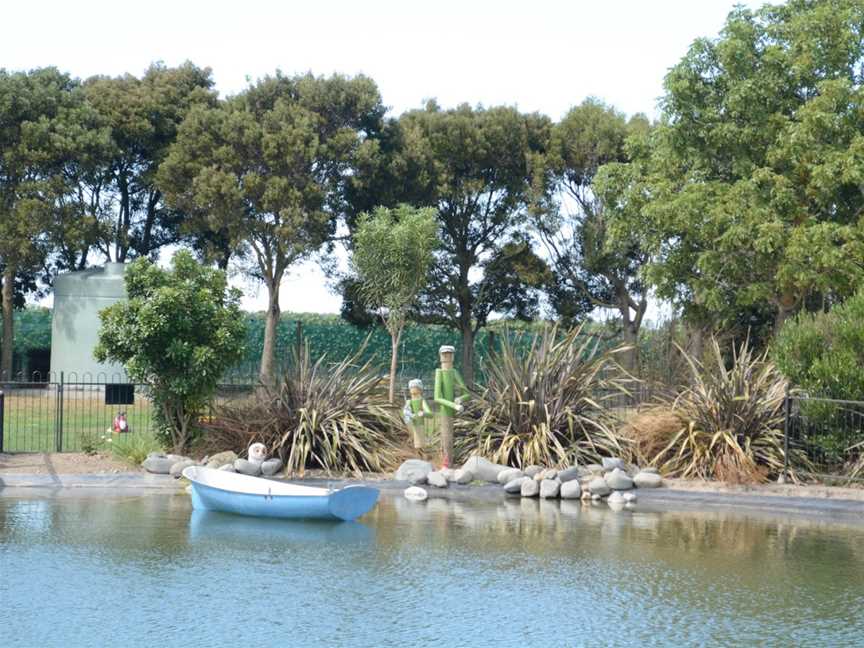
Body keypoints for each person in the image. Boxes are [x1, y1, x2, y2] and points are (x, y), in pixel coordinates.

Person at [433, 345, 468, 468]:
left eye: (449, 354)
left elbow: (466, 393)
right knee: (445, 436)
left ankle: (450, 463)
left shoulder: (454, 372)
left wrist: (460, 399)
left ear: (453, 356)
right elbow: (437, 397)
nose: (447, 356)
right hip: (445, 411)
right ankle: (445, 464)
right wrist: (453, 405)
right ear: (440, 356)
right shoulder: (439, 372)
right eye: (444, 354)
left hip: (452, 411)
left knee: (450, 437)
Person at [403, 379, 432, 457]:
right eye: (411, 387)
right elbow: (405, 412)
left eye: (415, 387)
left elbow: (430, 414)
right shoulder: (409, 402)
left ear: (420, 390)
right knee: (415, 444)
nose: (413, 389)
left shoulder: (422, 401)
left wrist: (423, 413)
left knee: (421, 444)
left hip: (420, 426)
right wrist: (410, 415)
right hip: (412, 426)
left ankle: (423, 457)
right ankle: (418, 456)